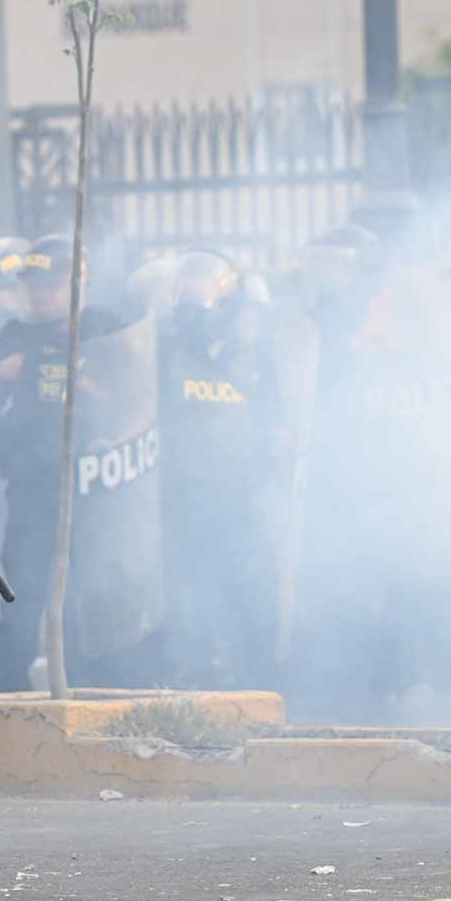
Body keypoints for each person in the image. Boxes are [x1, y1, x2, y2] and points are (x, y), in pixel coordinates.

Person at [0, 234, 115, 692]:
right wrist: (0, 377)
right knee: (20, 590)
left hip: (96, 488)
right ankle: (8, 692)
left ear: (80, 280)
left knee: (87, 593)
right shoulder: (12, 336)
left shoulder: (106, 328)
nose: (40, 292)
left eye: (51, 282)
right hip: (31, 489)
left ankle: (88, 686)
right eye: (33, 283)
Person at [156, 250, 282, 687]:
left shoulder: (253, 355)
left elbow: (273, 423)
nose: (196, 293)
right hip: (178, 496)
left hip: (237, 496)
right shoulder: (162, 347)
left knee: (250, 588)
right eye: (188, 283)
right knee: (187, 594)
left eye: (205, 282)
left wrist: (261, 472)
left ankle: (259, 683)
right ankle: (193, 679)